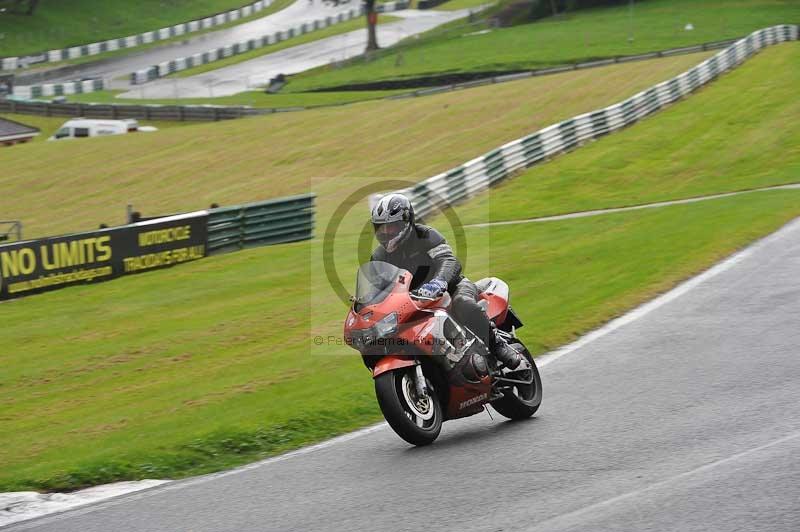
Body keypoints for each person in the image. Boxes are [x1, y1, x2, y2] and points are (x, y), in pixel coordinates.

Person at [370, 193, 522, 369]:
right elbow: (376, 287)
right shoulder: (379, 256)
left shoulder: (426, 236)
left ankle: (498, 346)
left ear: (406, 222)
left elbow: (448, 261)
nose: (387, 232)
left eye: (392, 227)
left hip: (451, 288)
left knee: (463, 303)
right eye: (382, 228)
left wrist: (438, 282)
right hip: (414, 303)